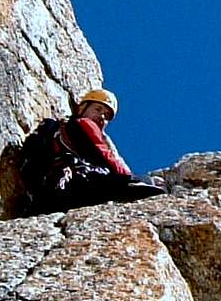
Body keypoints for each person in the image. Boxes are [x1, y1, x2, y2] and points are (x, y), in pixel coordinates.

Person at [16, 88, 163, 216]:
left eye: (106, 116)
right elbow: (105, 156)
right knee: (140, 183)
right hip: (74, 186)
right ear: (82, 108)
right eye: (98, 109)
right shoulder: (84, 124)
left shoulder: (60, 129)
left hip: (48, 193)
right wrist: (133, 179)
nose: (102, 117)